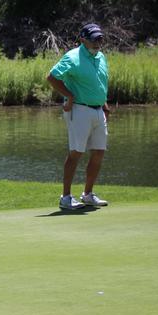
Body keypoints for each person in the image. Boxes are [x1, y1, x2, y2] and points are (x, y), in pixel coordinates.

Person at [47, 23, 111, 210]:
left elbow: (99, 83)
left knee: (99, 152)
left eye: (100, 39)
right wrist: (69, 96)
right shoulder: (73, 57)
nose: (98, 43)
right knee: (76, 152)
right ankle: (66, 198)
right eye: (94, 39)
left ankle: (88, 194)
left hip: (98, 110)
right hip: (79, 110)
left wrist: (104, 104)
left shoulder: (101, 57)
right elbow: (52, 77)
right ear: (83, 39)